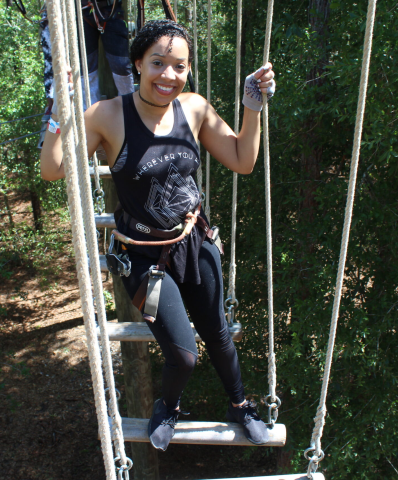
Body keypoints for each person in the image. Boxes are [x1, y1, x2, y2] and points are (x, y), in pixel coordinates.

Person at [40, 19, 276, 452]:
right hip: (145, 257)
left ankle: (241, 404)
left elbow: (242, 159)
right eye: (158, 63)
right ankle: (167, 405)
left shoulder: (195, 109)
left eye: (180, 66)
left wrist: (252, 106)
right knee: (184, 355)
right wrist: (58, 113)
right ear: (137, 64)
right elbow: (53, 170)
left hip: (194, 242)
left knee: (218, 334)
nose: (169, 75)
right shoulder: (108, 115)